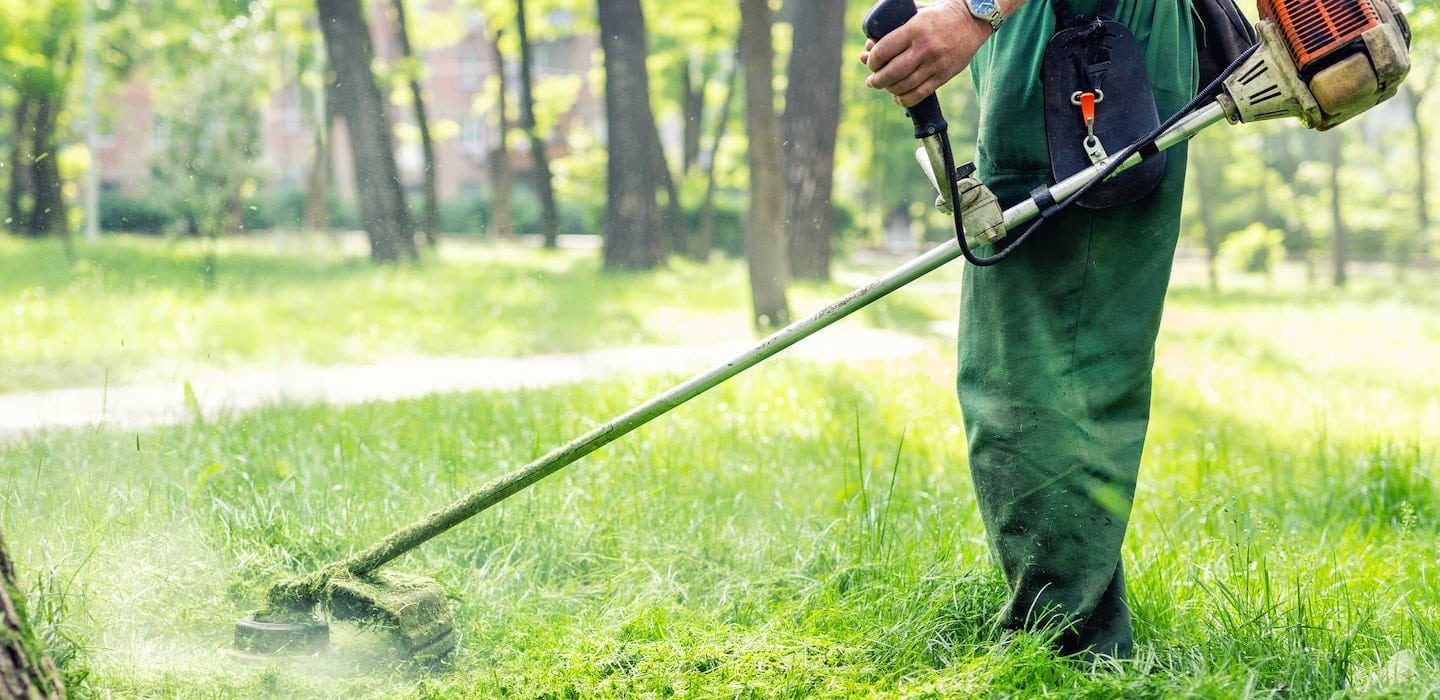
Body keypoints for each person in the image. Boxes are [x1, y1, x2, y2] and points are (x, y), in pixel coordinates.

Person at [861, 0, 1197, 661]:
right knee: (1020, 357)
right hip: (1037, 28)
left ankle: (1068, 648)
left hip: (1088, 29)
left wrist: (975, 11)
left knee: (1054, 356)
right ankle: (1074, 630)